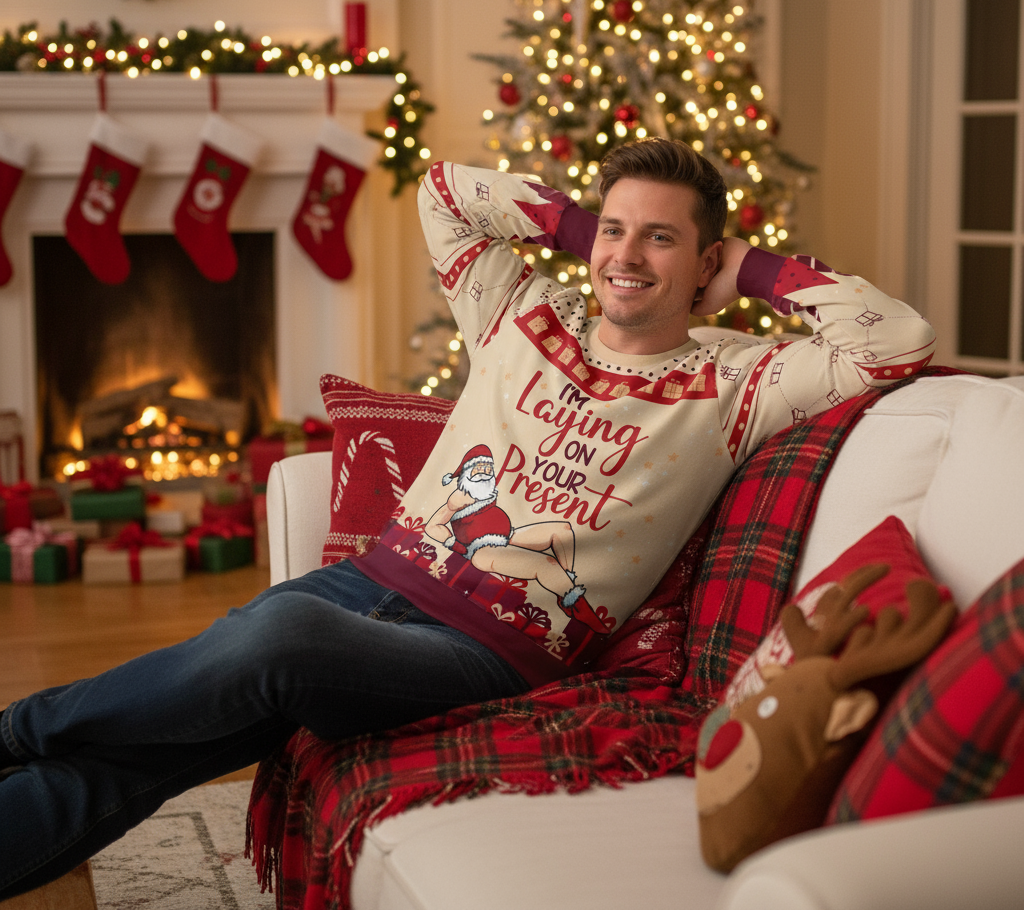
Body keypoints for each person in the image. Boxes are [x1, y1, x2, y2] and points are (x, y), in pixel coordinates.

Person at [0, 138, 935, 898]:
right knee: (179, 738)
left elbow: (898, 340)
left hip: (486, 647)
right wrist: (577, 225)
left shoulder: (739, 379)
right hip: (370, 582)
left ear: (703, 264)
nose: (624, 254)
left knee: (273, 634)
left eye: (660, 239)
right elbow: (442, 191)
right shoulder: (520, 311)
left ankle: (14, 729)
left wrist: (755, 271)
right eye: (613, 231)